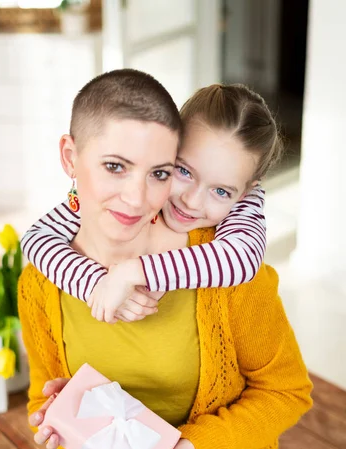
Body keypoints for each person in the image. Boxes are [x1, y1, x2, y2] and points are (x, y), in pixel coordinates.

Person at [17, 69, 313, 449]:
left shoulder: (230, 273)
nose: (184, 199)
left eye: (220, 189)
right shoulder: (46, 273)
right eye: (178, 172)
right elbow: (49, 386)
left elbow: (287, 391)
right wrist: (60, 411)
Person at [21, 92, 267, 324]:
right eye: (183, 171)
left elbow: (241, 257)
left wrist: (131, 273)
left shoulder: (245, 204)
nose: (192, 202)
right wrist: (95, 283)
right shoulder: (136, 188)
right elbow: (36, 238)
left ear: (244, 192)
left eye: (221, 192)